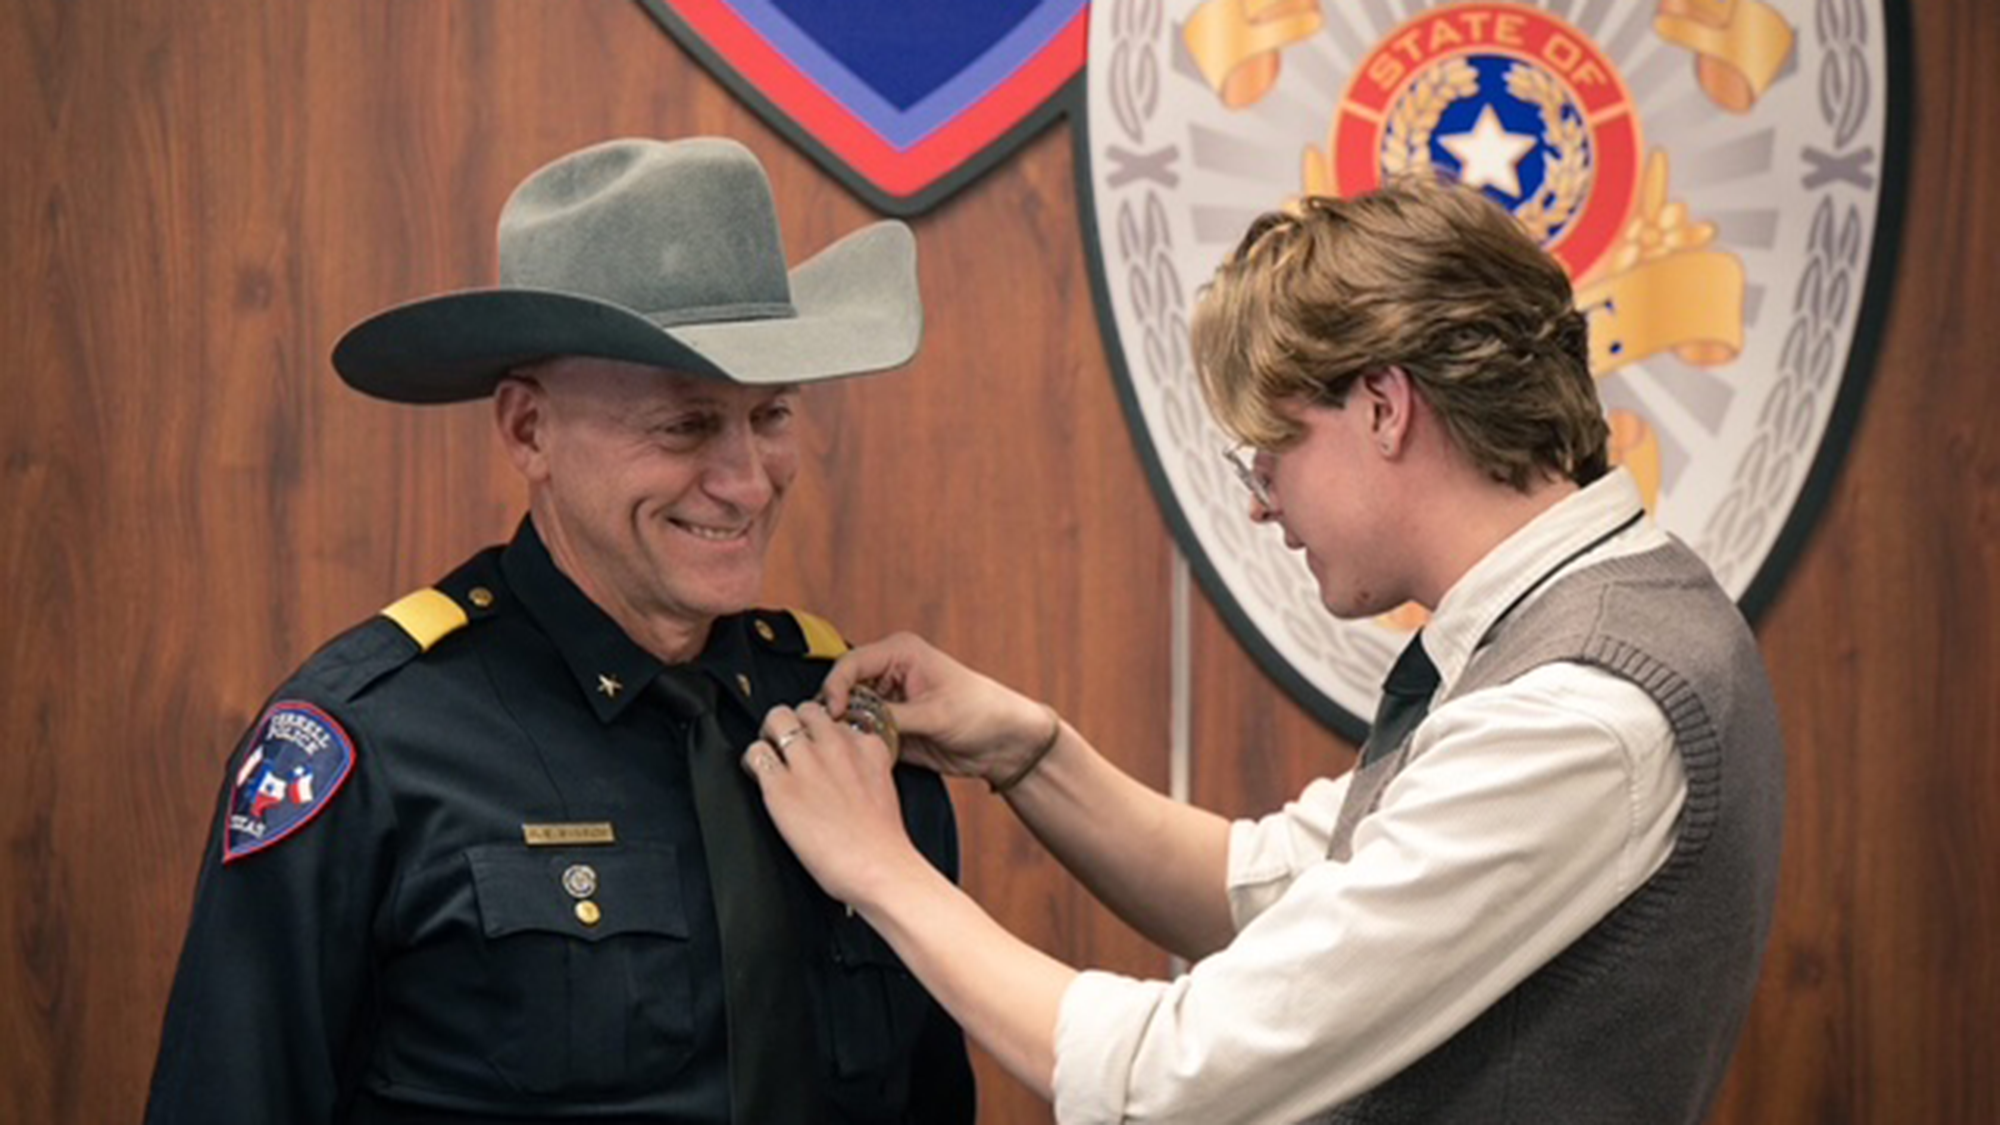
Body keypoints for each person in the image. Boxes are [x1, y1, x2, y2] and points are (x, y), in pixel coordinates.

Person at [744, 177, 1785, 1124]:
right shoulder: (1590, 613)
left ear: (1382, 407)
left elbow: (1171, 1082)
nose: (1256, 503)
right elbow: (1277, 884)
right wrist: (1029, 752)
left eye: (1268, 450)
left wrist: (879, 872)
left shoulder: (1577, 711)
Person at [144, 136, 975, 1124]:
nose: (748, 482)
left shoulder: (850, 731)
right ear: (527, 431)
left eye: (772, 416)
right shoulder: (369, 749)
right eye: (684, 427)